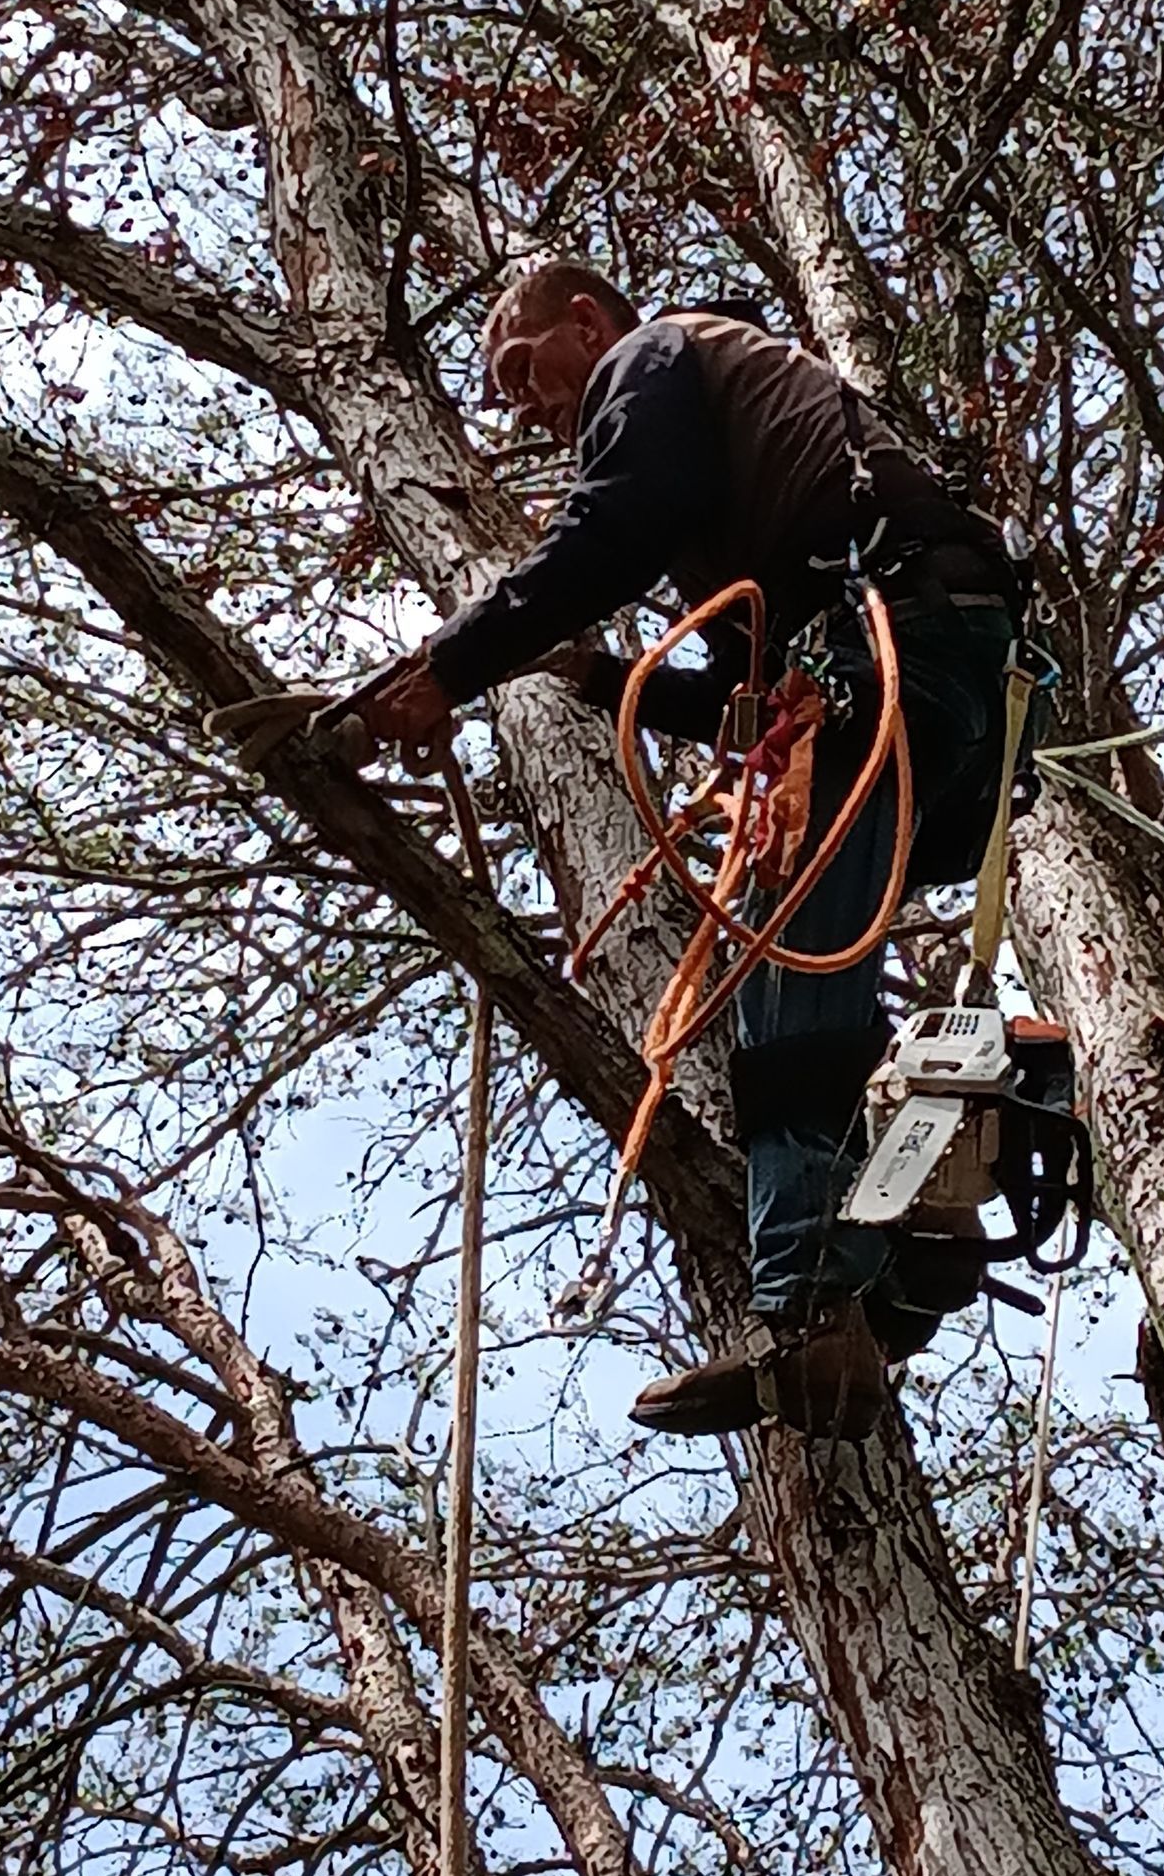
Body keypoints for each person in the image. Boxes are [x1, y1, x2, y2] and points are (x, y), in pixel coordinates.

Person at [353, 264, 1020, 1441]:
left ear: (586, 323)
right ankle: (920, 1234)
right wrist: (590, 673)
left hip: (899, 646)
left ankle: (806, 1305)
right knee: (814, 970)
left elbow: (613, 526)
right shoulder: (756, 491)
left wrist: (451, 667)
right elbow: (729, 704)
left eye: (523, 367)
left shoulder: (651, 358)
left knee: (789, 979)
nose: (523, 403)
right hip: (936, 684)